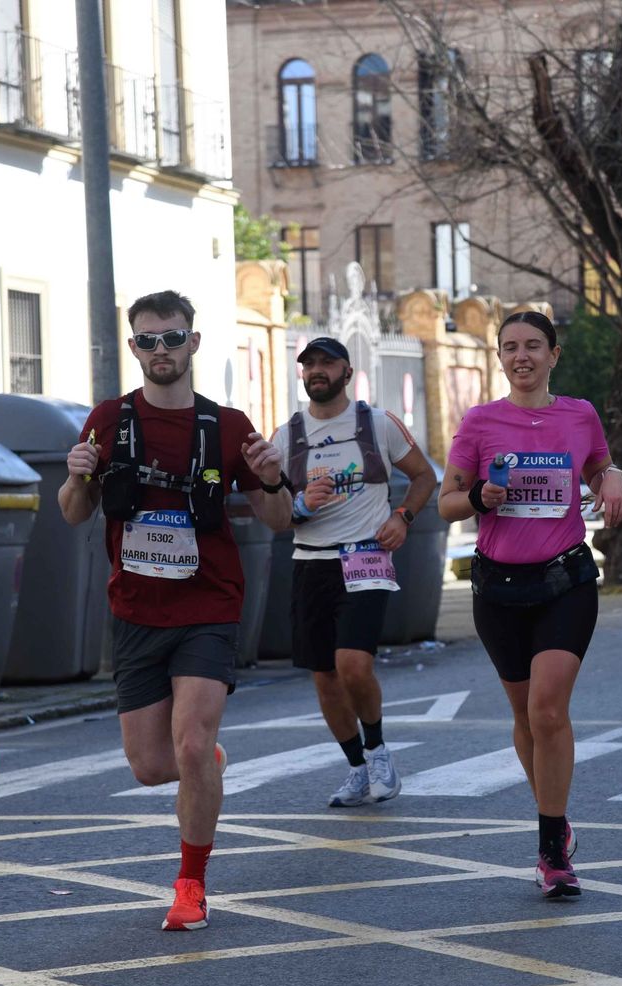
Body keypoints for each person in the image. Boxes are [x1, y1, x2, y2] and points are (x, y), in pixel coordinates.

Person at [60, 290, 290, 930]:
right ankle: (205, 767)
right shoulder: (109, 421)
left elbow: (277, 518)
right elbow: (74, 512)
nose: (161, 349)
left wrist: (271, 478)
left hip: (209, 603)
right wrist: (78, 475)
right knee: (152, 767)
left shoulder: (230, 426)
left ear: (193, 342)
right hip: (136, 608)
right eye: (148, 339)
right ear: (134, 348)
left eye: (172, 337)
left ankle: (191, 884)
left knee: (189, 742)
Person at [437, 310, 622, 899]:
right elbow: (446, 502)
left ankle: (550, 852)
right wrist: (477, 496)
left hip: (565, 579)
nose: (522, 356)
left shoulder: (579, 414)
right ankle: (557, 816)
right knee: (524, 718)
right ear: (499, 358)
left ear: (553, 354)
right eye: (511, 347)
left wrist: (612, 475)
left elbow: (596, 463)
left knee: (548, 711)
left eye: (533, 346)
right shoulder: (479, 421)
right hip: (499, 588)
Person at [270, 336, 436, 808]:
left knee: (353, 664)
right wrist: (298, 503)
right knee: (324, 675)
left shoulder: (377, 423)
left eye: (327, 363)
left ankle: (379, 750)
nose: (317, 370)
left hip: (365, 556)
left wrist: (402, 517)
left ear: (346, 370)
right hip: (310, 562)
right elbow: (275, 508)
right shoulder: (287, 436)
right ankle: (358, 769)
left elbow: (425, 476)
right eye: (309, 364)